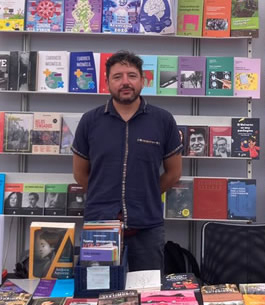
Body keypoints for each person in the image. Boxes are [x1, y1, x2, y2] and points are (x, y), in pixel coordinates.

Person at [72, 51, 182, 272]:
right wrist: (104, 194)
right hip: (100, 226)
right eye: (117, 76)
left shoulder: (163, 120)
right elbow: (80, 173)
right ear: (107, 83)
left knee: (147, 290)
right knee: (99, 287)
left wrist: (145, 194)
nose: (125, 82)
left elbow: (174, 173)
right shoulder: (90, 121)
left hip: (147, 227)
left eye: (132, 75)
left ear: (143, 80)